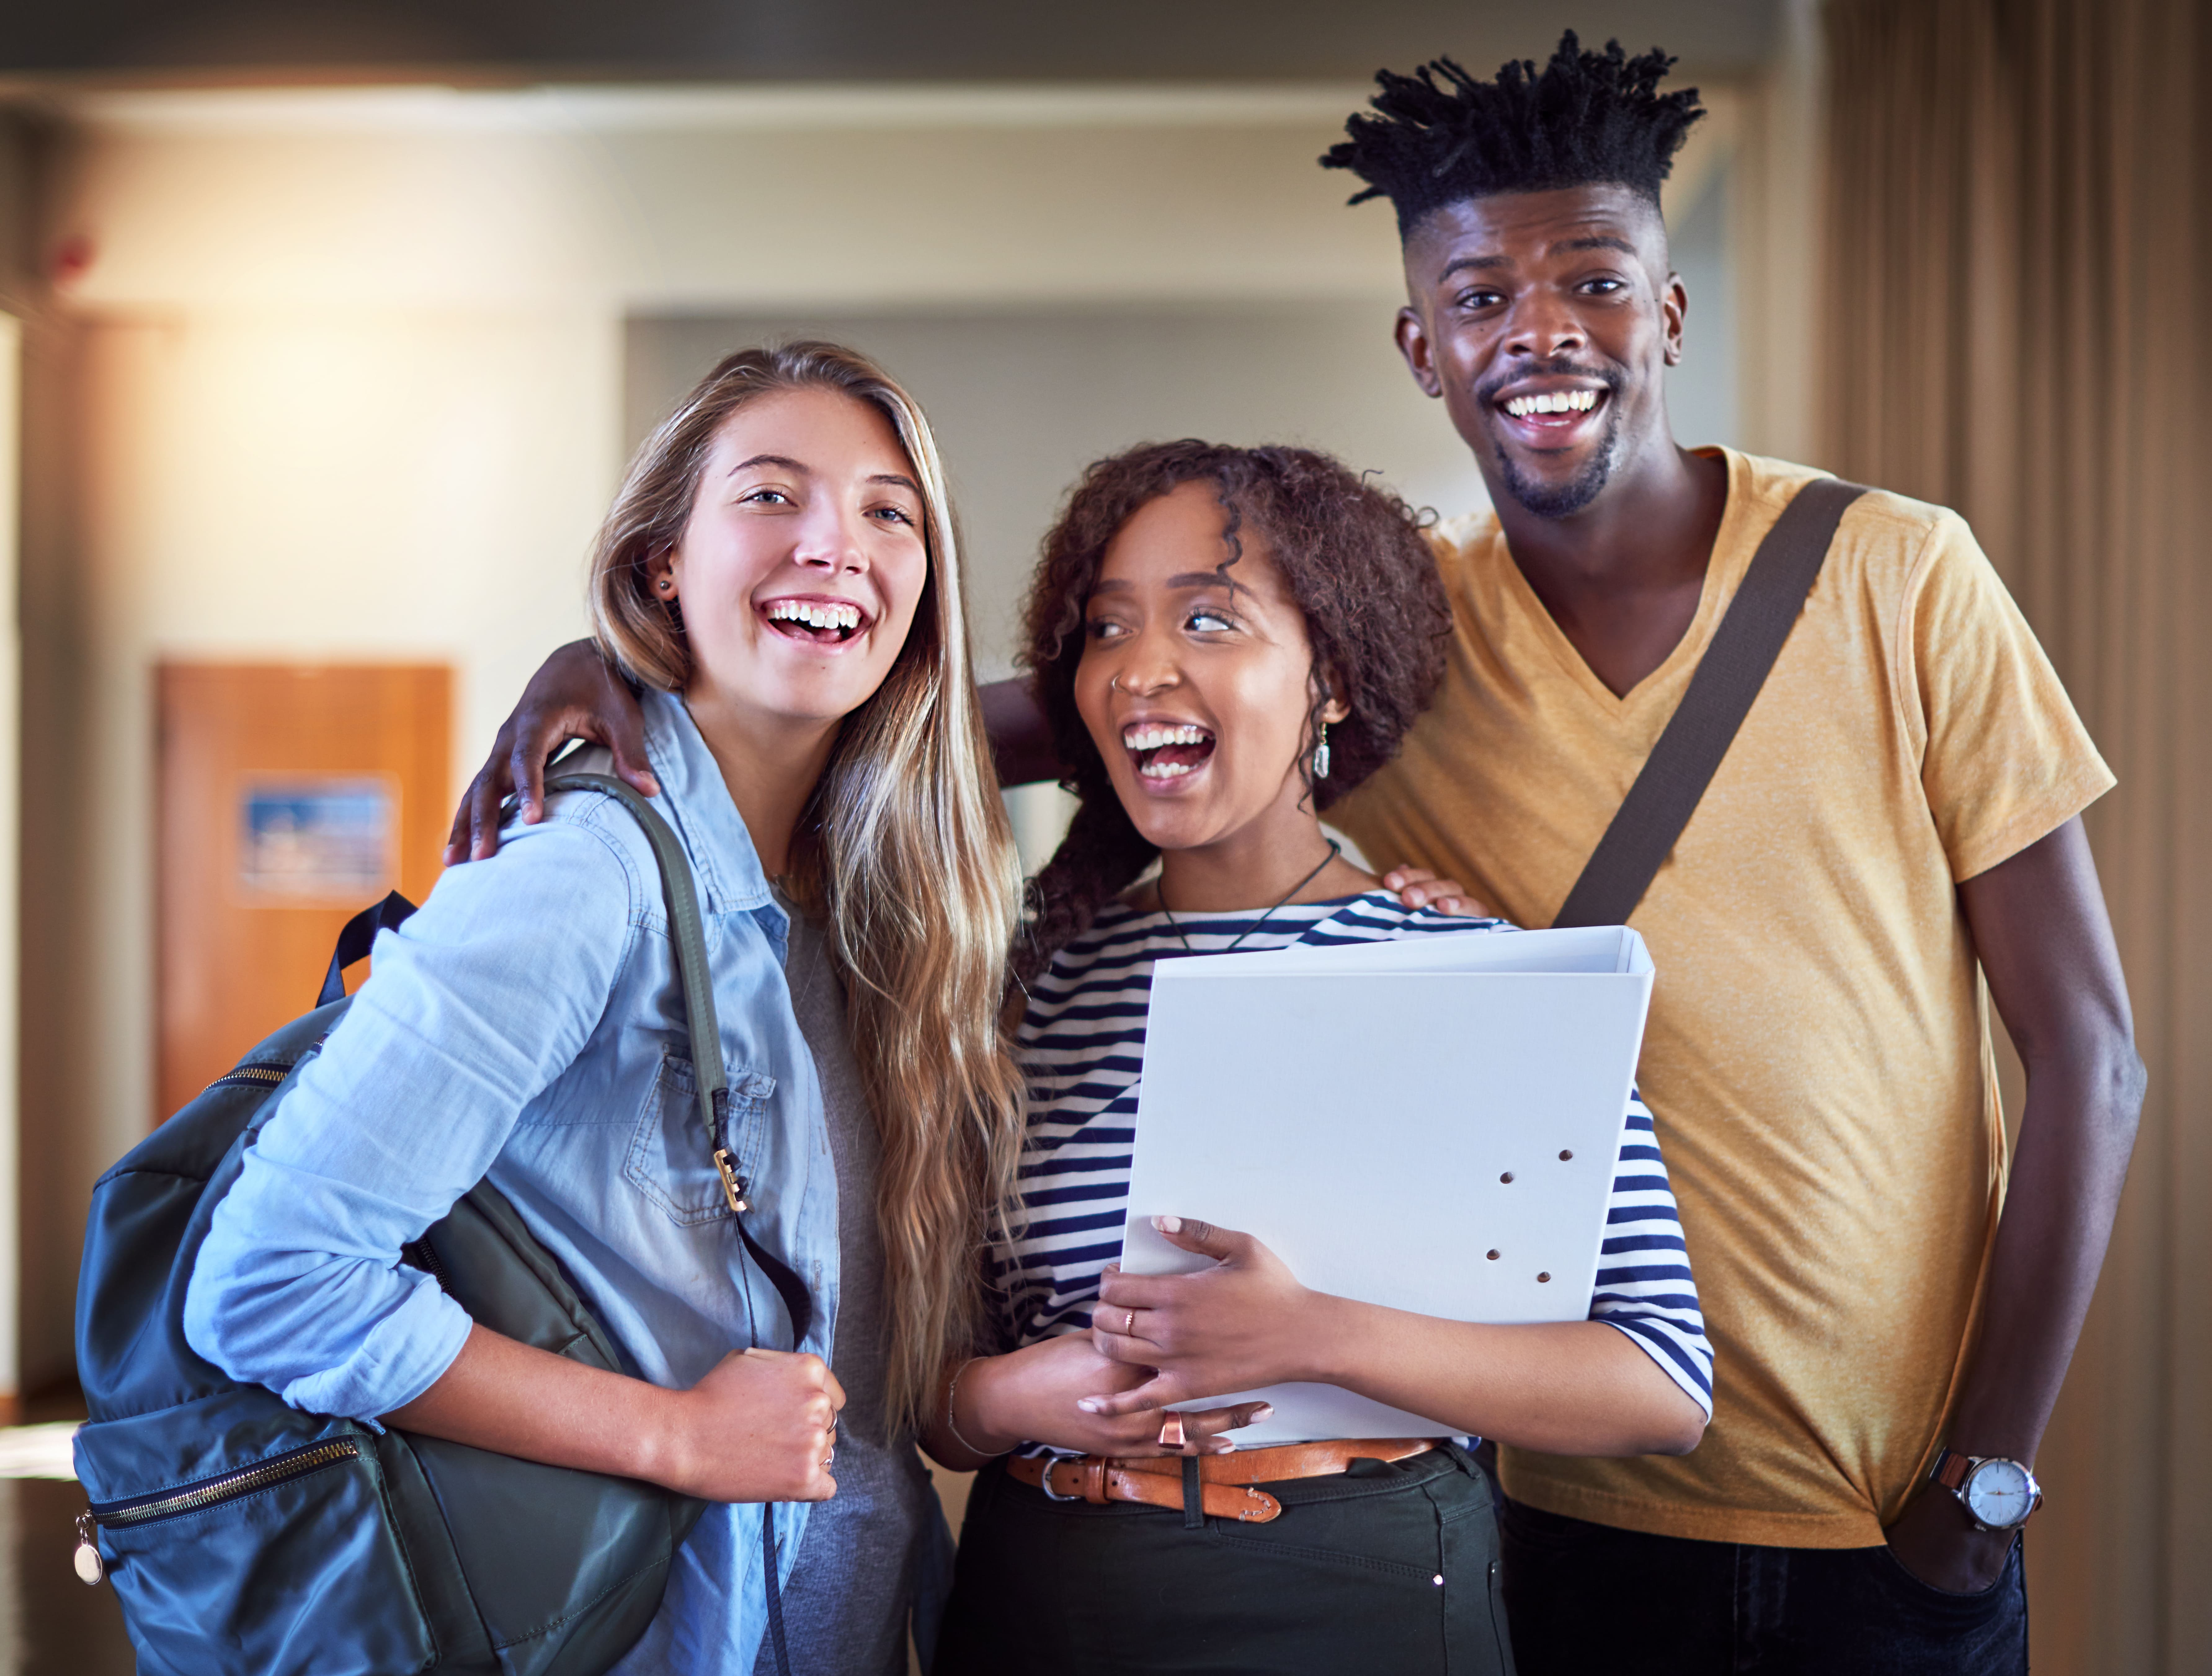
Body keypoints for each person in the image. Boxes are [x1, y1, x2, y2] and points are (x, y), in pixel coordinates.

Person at [461, 35, 2143, 1675]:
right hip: (1521, 1524)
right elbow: (976, 722)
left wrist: (1981, 1490)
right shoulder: (1408, 636)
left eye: (1596, 284)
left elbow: (2087, 1057)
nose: (1541, 332)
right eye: (1482, 299)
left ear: (1668, 308)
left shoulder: (1894, 574)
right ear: (1422, 345)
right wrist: (627, 674)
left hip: (1859, 1501)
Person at [186, 341, 1027, 1675]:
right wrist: (675, 1434)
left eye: (888, 511)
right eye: (770, 496)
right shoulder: (585, 878)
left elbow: (1102, 721)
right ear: (660, 569)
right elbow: (269, 1281)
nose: (835, 544)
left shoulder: (866, 889)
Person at [915, 440, 1710, 1676]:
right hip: (1047, 1591)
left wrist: (1312, 1334)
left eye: (1208, 619)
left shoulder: (1472, 972)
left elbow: (1657, 1380)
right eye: (1106, 630)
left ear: (1330, 678)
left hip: (1366, 1593)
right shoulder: (1019, 988)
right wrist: (1003, 1399)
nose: (1140, 670)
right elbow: (918, 1379)